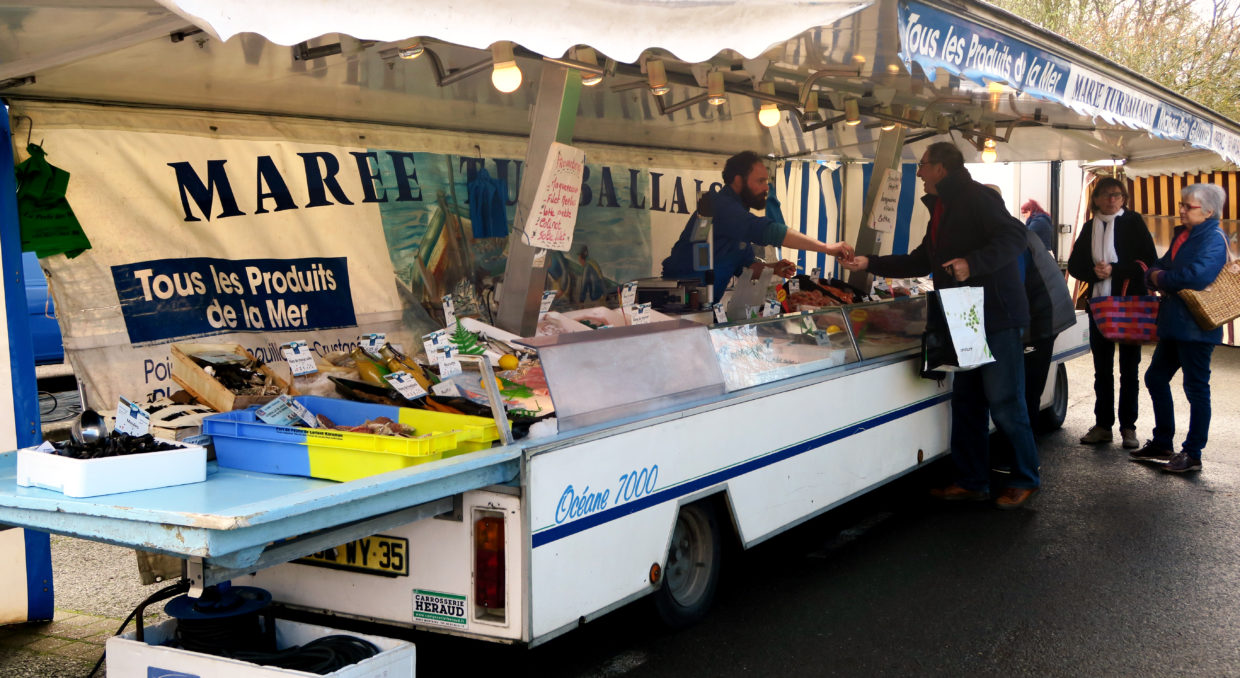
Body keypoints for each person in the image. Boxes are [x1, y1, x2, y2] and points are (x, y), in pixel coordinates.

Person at [840, 141, 1039, 509]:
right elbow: (920, 261)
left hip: (996, 316)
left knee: (1005, 402)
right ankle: (971, 480)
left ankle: (1026, 477)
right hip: (963, 317)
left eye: (924, 165)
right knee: (966, 403)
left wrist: (972, 263)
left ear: (942, 168)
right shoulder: (941, 209)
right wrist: (868, 262)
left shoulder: (978, 197)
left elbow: (1015, 236)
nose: (918, 172)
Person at [662, 151, 853, 303]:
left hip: (705, 304)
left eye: (767, 181)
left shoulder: (738, 215)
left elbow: (746, 268)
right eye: (760, 181)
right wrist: (826, 248)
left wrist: (773, 268)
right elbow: (769, 231)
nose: (766, 187)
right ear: (738, 180)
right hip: (680, 304)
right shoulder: (719, 205)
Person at [1131, 182, 1229, 473]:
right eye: (1181, 205)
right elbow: (1156, 267)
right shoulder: (1182, 235)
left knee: (1196, 389)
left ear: (1209, 211)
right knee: (1156, 378)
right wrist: (1157, 275)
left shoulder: (1213, 238)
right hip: (1175, 323)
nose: (1182, 211)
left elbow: (1197, 276)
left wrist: (1160, 278)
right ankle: (1163, 441)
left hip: (1198, 327)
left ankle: (1193, 454)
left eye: (1188, 206)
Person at [1067, 178, 1156, 450]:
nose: (1111, 200)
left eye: (1116, 195)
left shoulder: (1133, 222)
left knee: (1130, 369)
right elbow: (1075, 264)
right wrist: (1093, 272)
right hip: (1100, 305)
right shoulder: (1089, 227)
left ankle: (1128, 427)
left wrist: (1115, 271)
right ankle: (1103, 425)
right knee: (1101, 370)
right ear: (1095, 200)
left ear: (1124, 198)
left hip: (1130, 306)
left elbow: (1149, 262)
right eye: (1105, 195)